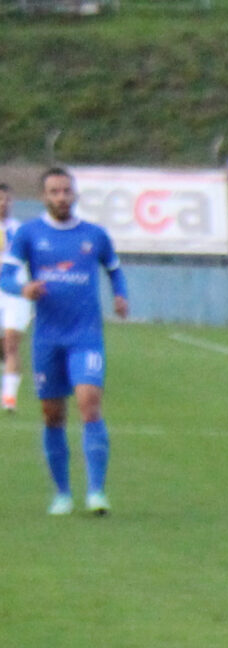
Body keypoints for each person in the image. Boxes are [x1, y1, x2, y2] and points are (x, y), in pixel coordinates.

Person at [0, 168, 126, 517]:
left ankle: (97, 492)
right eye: (54, 192)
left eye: (66, 191)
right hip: (47, 338)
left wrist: (121, 296)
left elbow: (114, 269)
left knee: (89, 404)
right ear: (44, 196)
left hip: (85, 336)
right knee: (52, 415)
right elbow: (5, 276)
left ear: (75, 195)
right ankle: (62, 494)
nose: (61, 197)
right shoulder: (28, 234)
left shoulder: (94, 235)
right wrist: (22, 288)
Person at [0, 183, 23, 415]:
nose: (4, 203)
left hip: (14, 292)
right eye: (0, 199)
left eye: (7, 199)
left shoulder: (20, 230)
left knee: (11, 343)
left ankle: (8, 398)